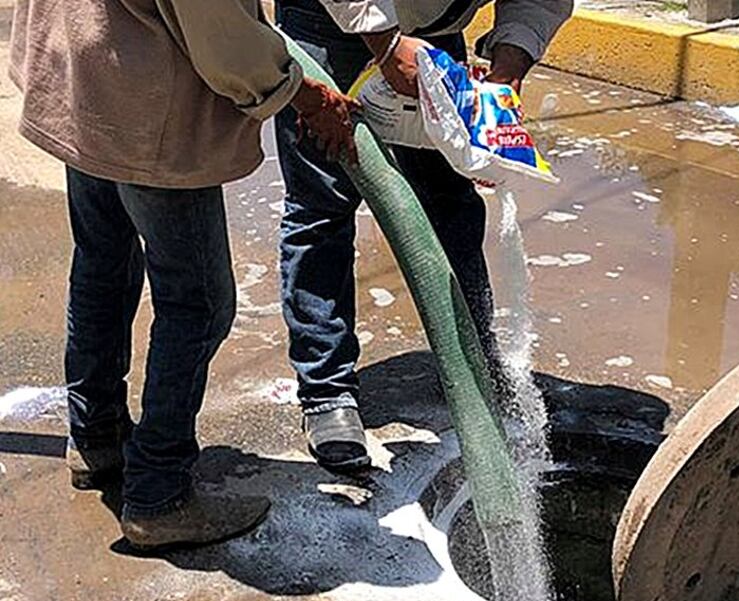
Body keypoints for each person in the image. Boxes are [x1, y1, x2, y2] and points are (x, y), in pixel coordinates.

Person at [9, 0, 357, 550]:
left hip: (81, 72)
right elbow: (222, 38)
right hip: (143, 101)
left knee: (102, 261)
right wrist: (300, 94)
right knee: (198, 304)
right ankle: (157, 493)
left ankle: (96, 436)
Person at [275, 0, 572, 473]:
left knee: (450, 202)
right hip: (328, 24)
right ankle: (326, 391)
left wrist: (511, 60)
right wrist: (386, 43)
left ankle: (470, 358)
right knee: (323, 208)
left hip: (434, 34)